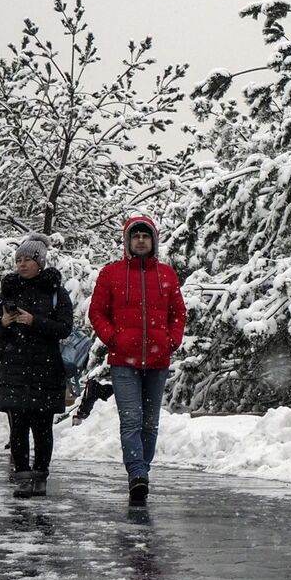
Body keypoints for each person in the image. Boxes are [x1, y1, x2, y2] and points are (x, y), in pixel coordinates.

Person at [89, 215, 186, 507]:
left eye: (146, 236)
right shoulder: (112, 273)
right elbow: (97, 312)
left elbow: (178, 313)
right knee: (131, 420)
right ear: (128, 241)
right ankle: (137, 474)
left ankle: (142, 471)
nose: (141, 240)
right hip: (124, 361)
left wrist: (172, 340)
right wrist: (113, 338)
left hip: (158, 360)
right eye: (136, 236)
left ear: (153, 241)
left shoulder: (167, 275)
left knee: (150, 423)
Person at [0, 234, 73, 498]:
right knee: (17, 426)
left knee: (42, 427)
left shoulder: (55, 293)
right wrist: (3, 324)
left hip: (45, 369)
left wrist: (34, 321)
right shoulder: (8, 291)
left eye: (28, 259)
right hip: (14, 369)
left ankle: (40, 474)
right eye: (19, 260)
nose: (22, 264)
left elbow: (65, 328)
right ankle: (22, 476)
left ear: (40, 262)